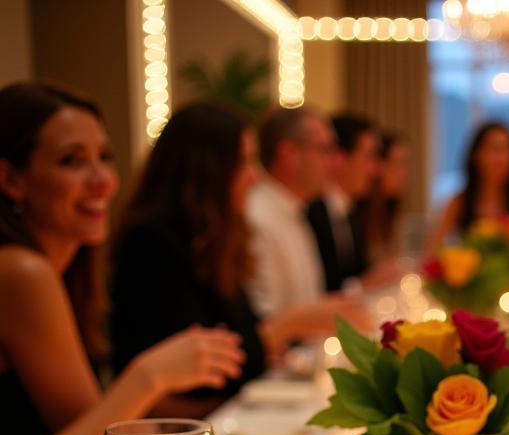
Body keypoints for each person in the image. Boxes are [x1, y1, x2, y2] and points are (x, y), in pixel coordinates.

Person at [0, 82, 243, 435]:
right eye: (71, 161)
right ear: (11, 178)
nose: (103, 181)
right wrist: (149, 378)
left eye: (105, 158)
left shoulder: (58, 272)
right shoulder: (21, 273)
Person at [110, 102, 362, 416]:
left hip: (214, 412)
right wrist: (287, 326)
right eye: (243, 163)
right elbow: (199, 371)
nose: (254, 178)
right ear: (207, 170)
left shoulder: (215, 234)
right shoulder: (151, 241)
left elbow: (241, 326)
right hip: (168, 426)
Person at [246, 106, 335, 317]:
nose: (333, 163)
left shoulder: (296, 210)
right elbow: (268, 320)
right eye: (324, 150)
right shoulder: (258, 219)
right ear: (289, 155)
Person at [426, 122, 509, 250]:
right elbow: (431, 249)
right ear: (476, 154)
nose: (503, 157)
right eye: (496, 149)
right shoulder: (459, 202)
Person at [307, 112, 380, 291]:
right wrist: (364, 284)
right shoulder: (311, 211)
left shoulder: (351, 211)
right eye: (369, 157)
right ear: (340, 158)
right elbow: (321, 290)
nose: (375, 170)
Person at [356, 131, 411, 265]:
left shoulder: (390, 210)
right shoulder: (358, 213)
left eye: (406, 164)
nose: (404, 173)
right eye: (396, 163)